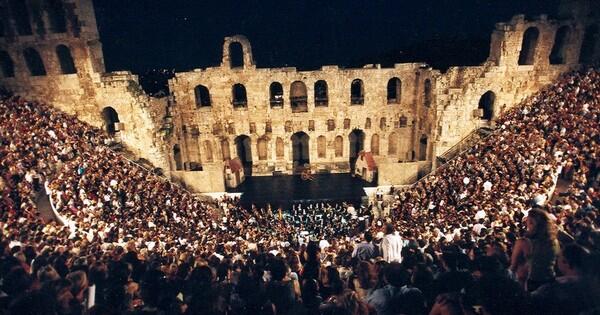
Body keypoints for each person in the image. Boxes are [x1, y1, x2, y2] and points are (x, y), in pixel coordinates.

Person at [510, 209, 560, 291]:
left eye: (528, 221)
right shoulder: (554, 241)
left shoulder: (523, 242)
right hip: (550, 280)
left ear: (532, 223)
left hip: (532, 283)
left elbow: (513, 266)